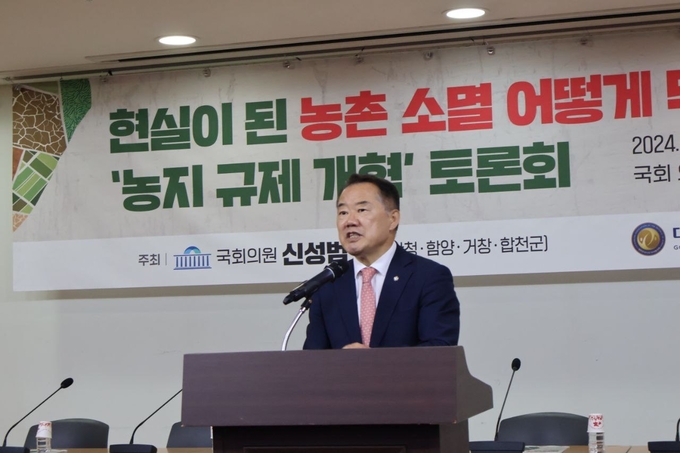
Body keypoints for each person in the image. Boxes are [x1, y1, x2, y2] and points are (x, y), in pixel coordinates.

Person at [303, 173, 460, 349]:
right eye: (343, 212)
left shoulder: (428, 277)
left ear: (393, 219)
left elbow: (439, 349)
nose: (349, 221)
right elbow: (313, 359)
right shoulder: (328, 285)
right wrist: (341, 362)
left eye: (362, 210)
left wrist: (374, 362)